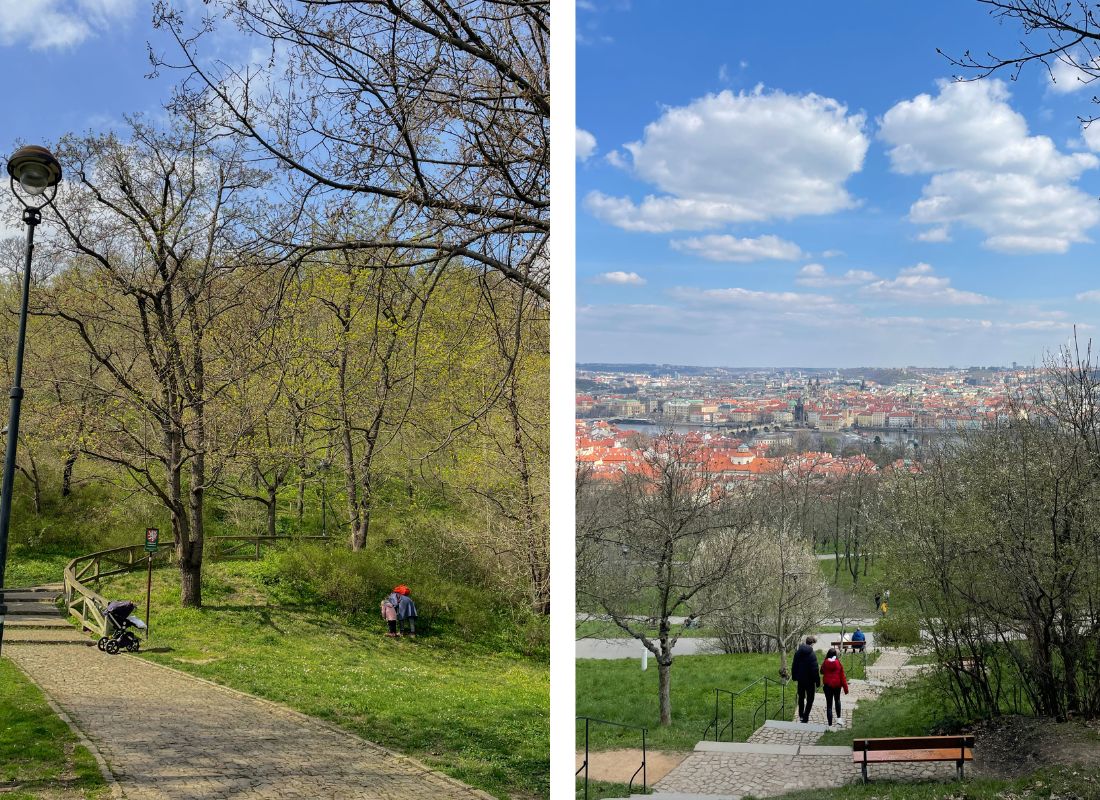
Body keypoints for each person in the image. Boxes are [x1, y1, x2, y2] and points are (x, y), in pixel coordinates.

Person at [790, 635, 820, 723]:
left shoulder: (798, 652)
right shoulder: (812, 655)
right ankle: (806, 716)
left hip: (800, 680)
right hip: (810, 681)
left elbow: (794, 665)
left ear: (806, 642)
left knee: (801, 697)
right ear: (812, 644)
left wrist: (794, 676)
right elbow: (815, 669)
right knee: (810, 699)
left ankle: (801, 715)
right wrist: (817, 682)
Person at [820, 647, 849, 727]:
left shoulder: (825, 663)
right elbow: (842, 677)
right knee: (837, 700)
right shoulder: (838, 663)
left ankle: (829, 725)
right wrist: (846, 689)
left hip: (827, 686)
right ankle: (839, 719)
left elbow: (821, 671)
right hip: (837, 685)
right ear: (835, 655)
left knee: (829, 705)